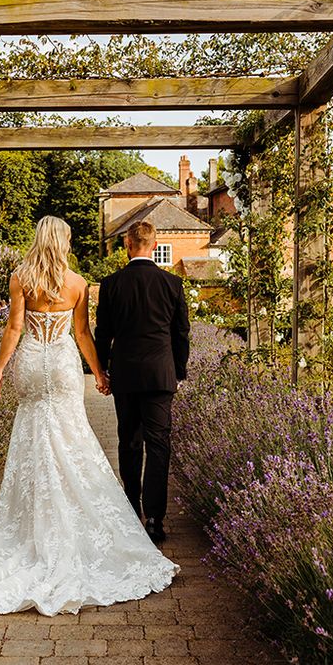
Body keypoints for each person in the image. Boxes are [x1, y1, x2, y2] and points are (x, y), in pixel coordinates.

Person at [0, 216, 179, 616]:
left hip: (31, 360)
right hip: (63, 365)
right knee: (71, 433)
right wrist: (98, 372)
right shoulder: (78, 283)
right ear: (62, 243)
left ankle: (32, 519)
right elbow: (82, 334)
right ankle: (84, 511)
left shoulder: (20, 278)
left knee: (33, 430)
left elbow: (13, 328)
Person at [95, 221, 190, 545]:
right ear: (154, 244)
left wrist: (102, 370)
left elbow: (102, 333)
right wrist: (178, 371)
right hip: (161, 376)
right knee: (159, 445)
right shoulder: (172, 284)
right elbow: (181, 334)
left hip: (126, 375)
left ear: (127, 244)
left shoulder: (111, 284)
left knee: (129, 443)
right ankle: (154, 519)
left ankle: (130, 511)